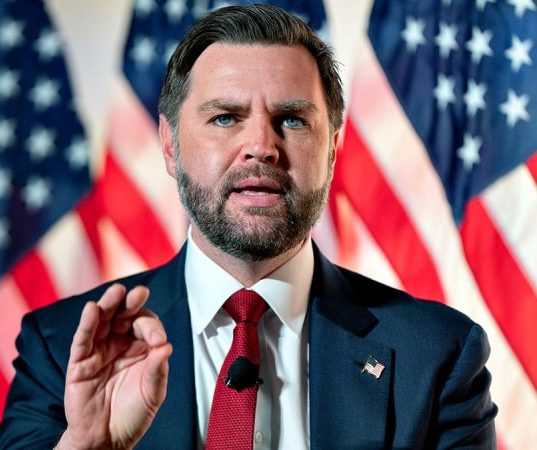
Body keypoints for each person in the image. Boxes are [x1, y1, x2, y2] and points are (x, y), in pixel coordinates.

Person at [0, 4, 497, 449]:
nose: (261, 146)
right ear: (170, 146)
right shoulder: (61, 351)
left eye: (293, 119)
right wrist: (87, 446)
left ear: (332, 149)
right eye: (225, 118)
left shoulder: (439, 356)